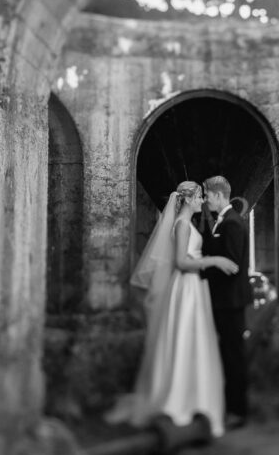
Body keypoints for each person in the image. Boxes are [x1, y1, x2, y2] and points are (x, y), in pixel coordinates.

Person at [105, 181, 239, 437]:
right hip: (186, 288)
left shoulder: (185, 224)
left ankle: (193, 400)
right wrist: (215, 260)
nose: (202, 200)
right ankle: (179, 401)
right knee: (185, 340)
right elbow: (179, 262)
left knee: (192, 341)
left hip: (193, 288)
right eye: (199, 196)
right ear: (188, 200)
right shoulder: (181, 226)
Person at [201, 176, 253, 430]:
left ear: (218, 195)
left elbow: (230, 265)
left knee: (234, 356)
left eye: (207, 195)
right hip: (225, 300)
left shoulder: (232, 224)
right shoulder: (225, 221)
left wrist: (198, 272)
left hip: (230, 301)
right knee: (228, 353)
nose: (205, 199)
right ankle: (229, 405)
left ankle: (238, 411)